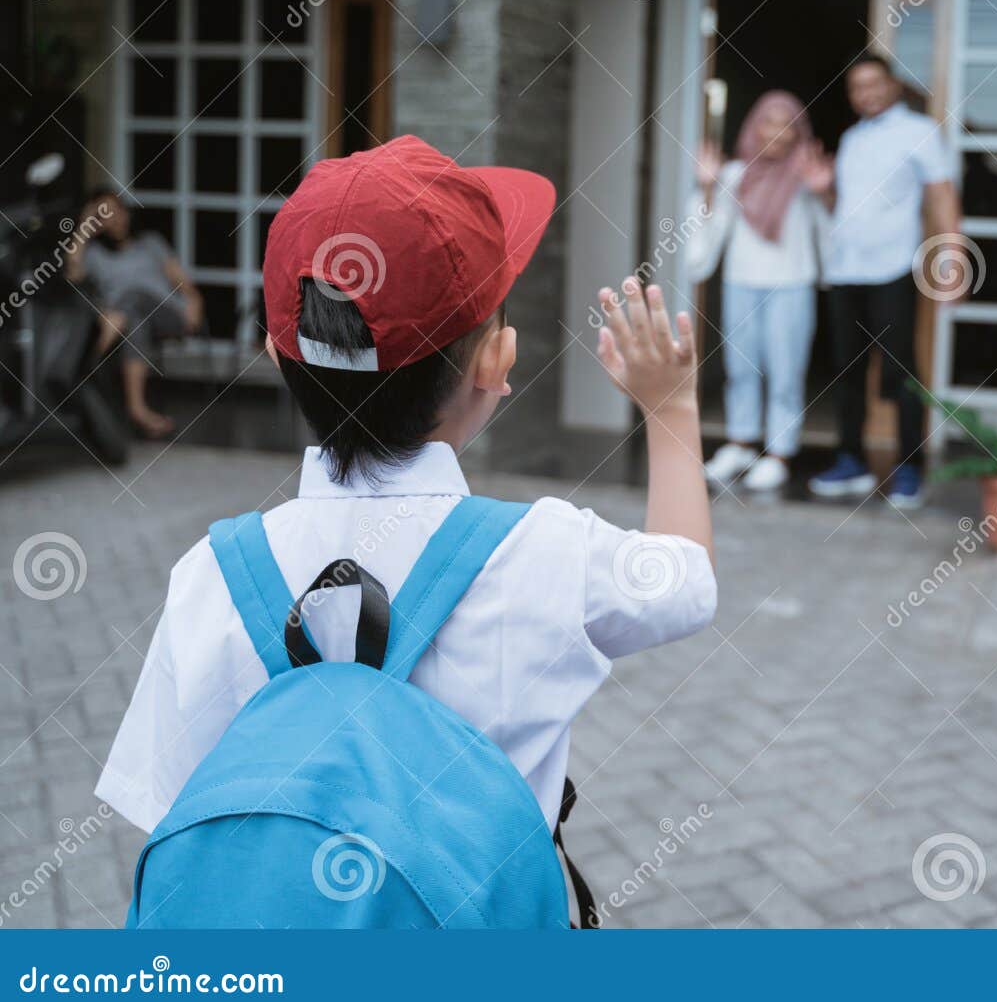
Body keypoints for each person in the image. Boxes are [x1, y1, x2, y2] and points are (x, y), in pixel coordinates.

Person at [95, 136, 717, 857]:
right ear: (498, 359)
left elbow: (171, 812)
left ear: (274, 349)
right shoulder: (547, 552)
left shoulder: (211, 575)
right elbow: (688, 581)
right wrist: (671, 412)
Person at [807, 54, 962, 509]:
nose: (867, 94)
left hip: (893, 269)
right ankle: (851, 461)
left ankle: (910, 468)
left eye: (874, 83)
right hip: (845, 270)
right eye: (857, 87)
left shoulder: (921, 132)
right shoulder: (852, 138)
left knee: (900, 371)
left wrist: (952, 262)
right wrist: (823, 190)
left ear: (894, 84)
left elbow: (942, 198)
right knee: (847, 371)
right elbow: (844, 208)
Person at [689, 90, 832, 492]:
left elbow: (831, 232)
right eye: (770, 122)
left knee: (786, 372)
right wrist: (706, 187)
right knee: (740, 369)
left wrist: (823, 191)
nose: (778, 133)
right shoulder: (735, 174)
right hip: (742, 282)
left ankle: (779, 453)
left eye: (788, 124)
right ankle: (740, 443)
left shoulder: (805, 177)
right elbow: (709, 229)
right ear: (755, 126)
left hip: (791, 284)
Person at [66, 189, 204, 438]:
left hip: (169, 314)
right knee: (134, 319)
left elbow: (183, 283)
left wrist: (194, 301)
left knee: (133, 299)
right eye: (105, 213)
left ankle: (85, 363)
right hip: (129, 323)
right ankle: (138, 410)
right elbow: (73, 275)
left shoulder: (151, 242)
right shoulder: (95, 255)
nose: (116, 217)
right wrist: (82, 229)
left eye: (118, 210)